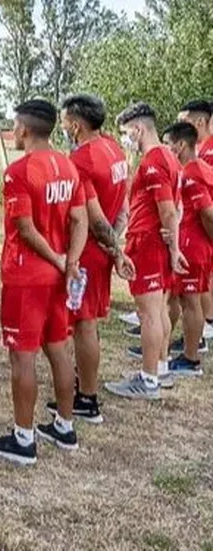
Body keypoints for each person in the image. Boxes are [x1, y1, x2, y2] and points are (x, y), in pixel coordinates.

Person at [0, 99, 88, 464]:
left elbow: (25, 229)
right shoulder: (68, 166)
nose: (13, 131)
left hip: (27, 276)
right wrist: (70, 261)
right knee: (58, 347)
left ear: (24, 130)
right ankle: (64, 424)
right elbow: (79, 220)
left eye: (14, 126)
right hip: (58, 276)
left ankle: (23, 437)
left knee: (22, 356)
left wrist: (61, 259)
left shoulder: (19, 172)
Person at [48, 94, 133, 424]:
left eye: (66, 120)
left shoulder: (81, 159)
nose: (64, 126)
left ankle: (86, 398)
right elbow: (121, 204)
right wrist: (118, 243)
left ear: (77, 124)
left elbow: (95, 220)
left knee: (84, 325)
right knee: (88, 323)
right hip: (103, 251)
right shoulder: (113, 148)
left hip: (87, 253)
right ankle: (84, 387)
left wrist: (115, 249)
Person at [104, 103, 185, 400]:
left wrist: (174, 247)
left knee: (148, 314)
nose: (125, 139)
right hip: (155, 242)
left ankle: (148, 379)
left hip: (148, 244)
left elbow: (167, 209)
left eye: (126, 133)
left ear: (138, 129)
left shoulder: (153, 162)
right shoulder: (169, 156)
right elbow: (176, 208)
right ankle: (159, 368)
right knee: (159, 310)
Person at [163, 121, 213, 376]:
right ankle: (178, 349)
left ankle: (191, 357)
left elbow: (207, 212)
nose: (167, 150)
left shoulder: (193, 174)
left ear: (181, 145)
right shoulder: (201, 168)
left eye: (169, 145)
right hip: (192, 244)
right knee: (181, 298)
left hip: (194, 246)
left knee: (191, 301)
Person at [177, 100, 213, 337]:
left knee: (199, 285)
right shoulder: (202, 150)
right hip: (198, 228)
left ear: (200, 121)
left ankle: (204, 328)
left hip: (201, 230)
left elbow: (206, 207)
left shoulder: (207, 152)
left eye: (185, 122)